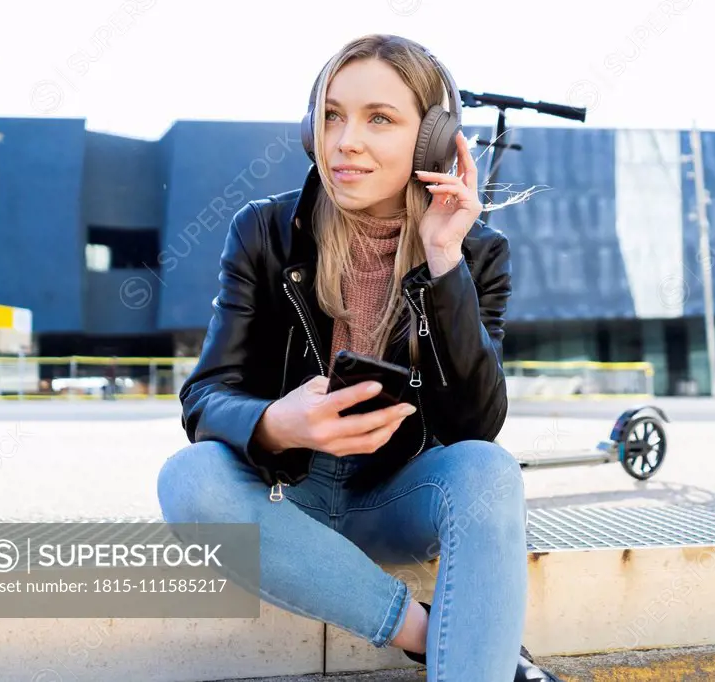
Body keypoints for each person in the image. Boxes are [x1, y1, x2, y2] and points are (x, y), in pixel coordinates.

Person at [156, 34, 562, 681]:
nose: (346, 141)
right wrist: (275, 424)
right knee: (188, 479)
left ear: (430, 140)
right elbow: (206, 394)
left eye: (379, 119)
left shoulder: (475, 251)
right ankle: (427, 632)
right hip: (287, 493)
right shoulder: (263, 230)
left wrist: (444, 264)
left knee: (490, 471)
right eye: (332, 115)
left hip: (395, 496)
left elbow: (476, 424)